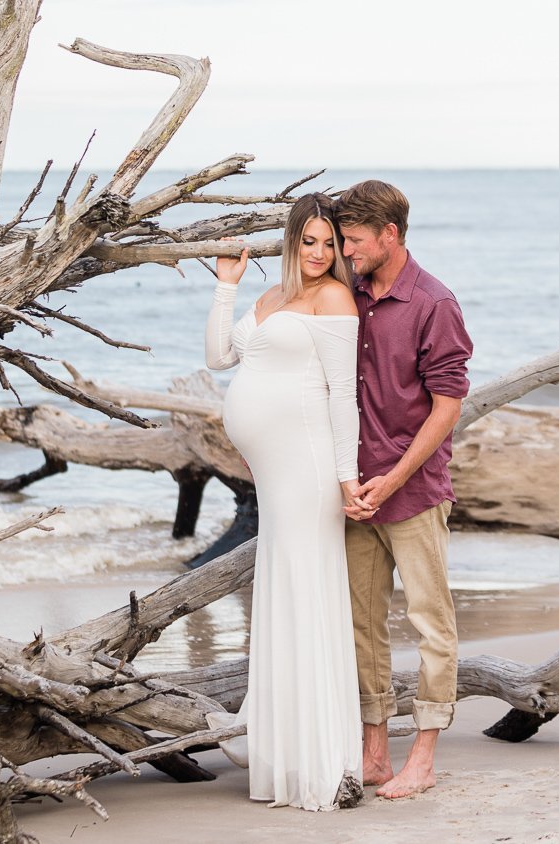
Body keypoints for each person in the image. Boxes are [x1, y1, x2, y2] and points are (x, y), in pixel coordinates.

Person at [204, 193, 365, 810]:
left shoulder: (334, 300)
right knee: (281, 585)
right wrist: (226, 286)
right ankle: (282, 747)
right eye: (311, 243)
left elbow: (342, 397)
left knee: (305, 589)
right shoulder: (271, 298)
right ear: (291, 241)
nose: (323, 255)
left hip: (308, 462)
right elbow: (220, 356)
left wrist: (348, 477)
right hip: (273, 472)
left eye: (331, 244)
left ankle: (321, 759)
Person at [335, 179, 473, 801]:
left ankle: (423, 754)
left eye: (355, 239)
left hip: (412, 493)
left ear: (390, 234)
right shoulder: (348, 294)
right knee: (363, 625)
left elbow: (447, 407)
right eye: (342, 239)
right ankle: (374, 751)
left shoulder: (434, 302)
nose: (346, 249)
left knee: (430, 623)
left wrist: (391, 479)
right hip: (355, 493)